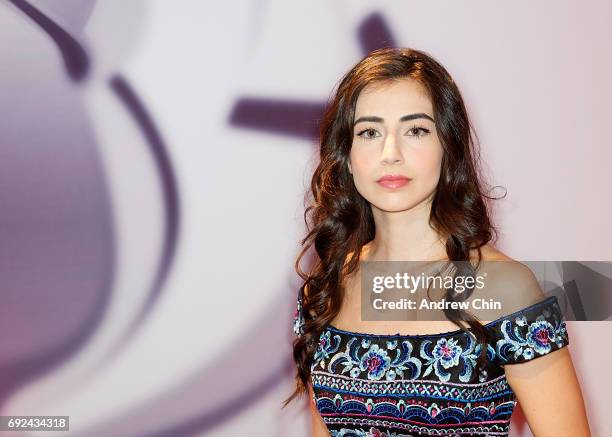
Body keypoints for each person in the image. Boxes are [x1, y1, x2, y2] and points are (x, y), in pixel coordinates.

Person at [282, 47, 590, 436]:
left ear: (449, 146)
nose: (390, 154)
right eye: (369, 132)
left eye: (416, 130)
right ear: (345, 153)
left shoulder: (505, 288)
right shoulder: (328, 285)